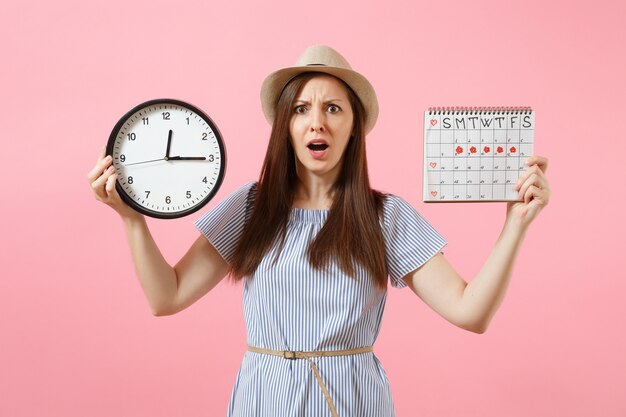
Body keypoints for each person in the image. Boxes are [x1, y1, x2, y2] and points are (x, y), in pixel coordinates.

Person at [87, 45, 551, 417]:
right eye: (302, 109)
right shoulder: (251, 208)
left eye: (333, 108)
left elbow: (470, 312)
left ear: (354, 128)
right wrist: (132, 217)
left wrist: (515, 224)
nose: (317, 122)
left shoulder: (385, 216)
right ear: (285, 125)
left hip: (352, 403)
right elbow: (166, 296)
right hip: (264, 401)